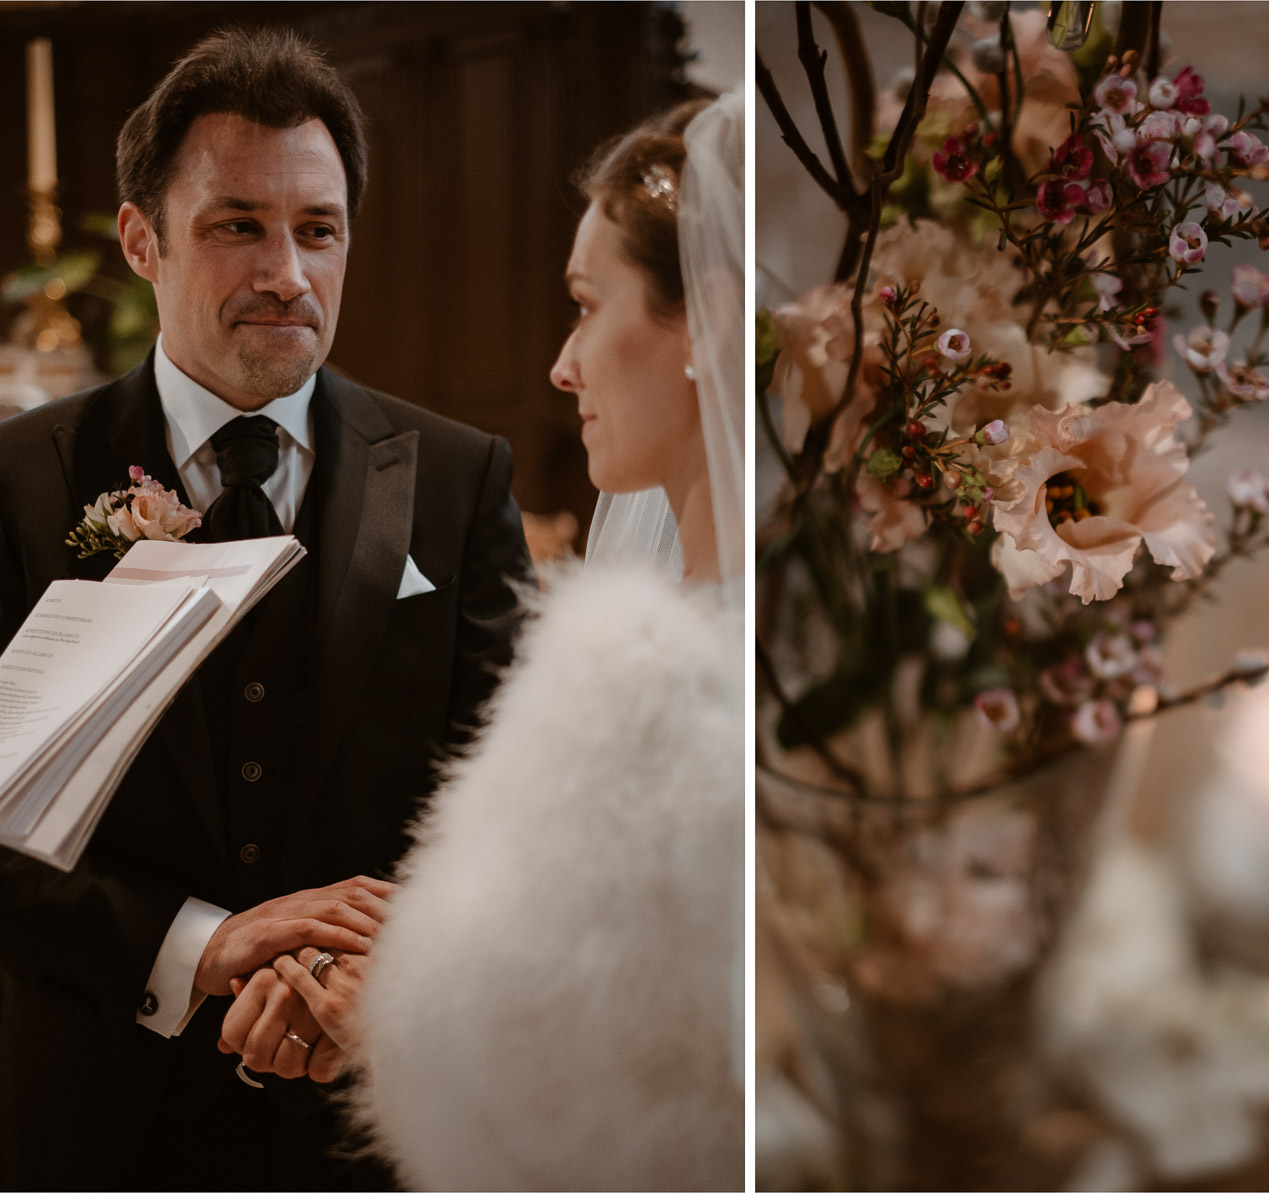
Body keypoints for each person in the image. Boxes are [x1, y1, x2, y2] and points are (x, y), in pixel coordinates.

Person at [0, 28, 533, 1190]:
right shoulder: (18, 478)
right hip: (85, 1118)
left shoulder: (455, 476)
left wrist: (374, 977)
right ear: (143, 239)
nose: (287, 272)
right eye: (237, 224)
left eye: (319, 229)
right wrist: (195, 945)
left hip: (369, 1117)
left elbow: (511, 798)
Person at [222, 91, 746, 1189]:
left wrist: (403, 1019)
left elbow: (696, 1064)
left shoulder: (678, 673)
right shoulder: (646, 626)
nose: (562, 367)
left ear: (707, 323)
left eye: (586, 304)